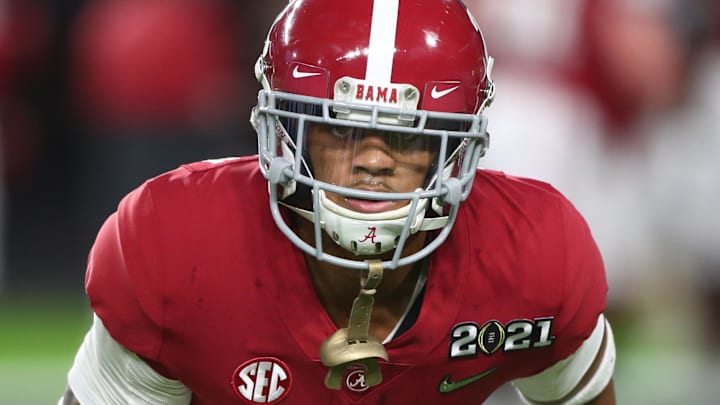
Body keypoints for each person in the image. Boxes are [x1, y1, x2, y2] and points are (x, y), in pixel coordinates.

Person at [59, 0, 616, 404]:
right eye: (341, 131)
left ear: (457, 151)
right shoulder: (175, 246)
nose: (374, 161)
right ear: (288, 138)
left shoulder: (536, 255)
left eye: (408, 135)